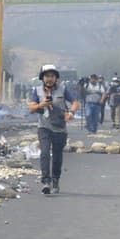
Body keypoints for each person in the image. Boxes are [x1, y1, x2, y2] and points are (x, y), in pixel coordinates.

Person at [28, 63, 78, 194]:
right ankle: (46, 181)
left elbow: (74, 102)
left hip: (60, 128)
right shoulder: (37, 91)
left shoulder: (63, 89)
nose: (49, 79)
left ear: (56, 78)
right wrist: (41, 104)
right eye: (47, 76)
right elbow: (32, 109)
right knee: (44, 153)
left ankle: (55, 179)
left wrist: (71, 113)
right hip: (44, 127)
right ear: (42, 78)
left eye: (52, 76)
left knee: (57, 155)